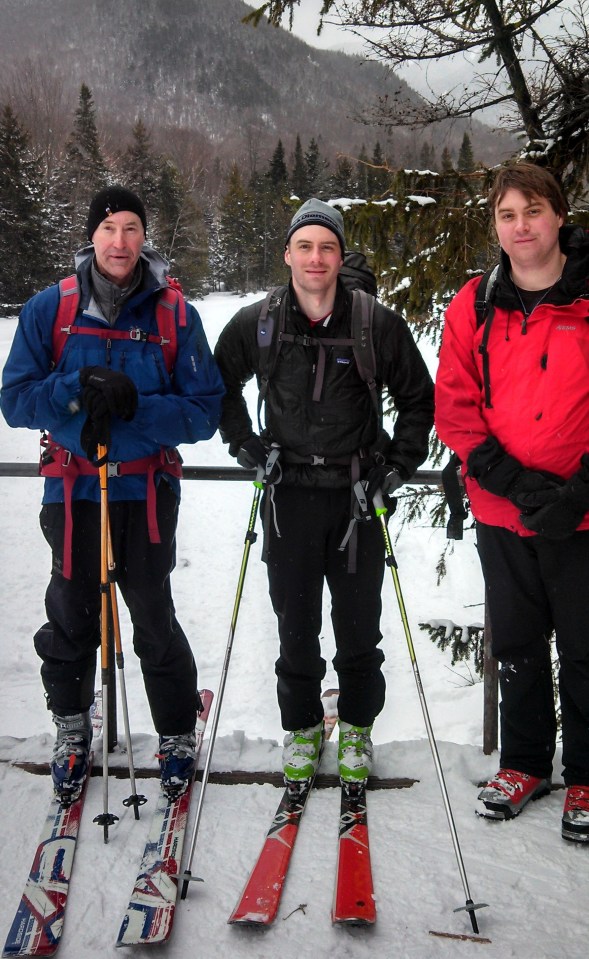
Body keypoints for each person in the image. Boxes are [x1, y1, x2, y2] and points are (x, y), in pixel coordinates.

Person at [0, 186, 225, 804]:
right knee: (72, 614)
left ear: (143, 236)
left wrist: (133, 407)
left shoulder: (174, 314)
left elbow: (205, 411)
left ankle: (177, 732)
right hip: (72, 493)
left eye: (131, 229)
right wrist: (77, 388)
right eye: (109, 229)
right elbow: (15, 398)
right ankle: (71, 725)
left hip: (145, 493)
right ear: (91, 236)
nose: (120, 242)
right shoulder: (53, 309)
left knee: (152, 618)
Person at [214, 198, 434, 787]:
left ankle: (358, 727)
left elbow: (419, 399)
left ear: (340, 256)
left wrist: (398, 466)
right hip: (288, 497)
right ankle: (303, 725)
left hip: (358, 497)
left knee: (360, 623)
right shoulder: (259, 322)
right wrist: (244, 443)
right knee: (296, 622)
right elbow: (218, 384)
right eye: (305, 246)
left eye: (327, 247)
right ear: (287, 254)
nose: (316, 258)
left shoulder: (374, 323)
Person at [435, 162, 589, 841]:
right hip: (504, 512)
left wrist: (576, 489)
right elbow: (456, 408)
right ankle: (524, 762)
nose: (520, 225)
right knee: (520, 644)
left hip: (582, 510)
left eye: (532, 210)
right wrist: (512, 481)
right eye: (506, 214)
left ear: (558, 215)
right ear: (493, 225)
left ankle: (585, 771)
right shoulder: (472, 305)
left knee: (586, 646)